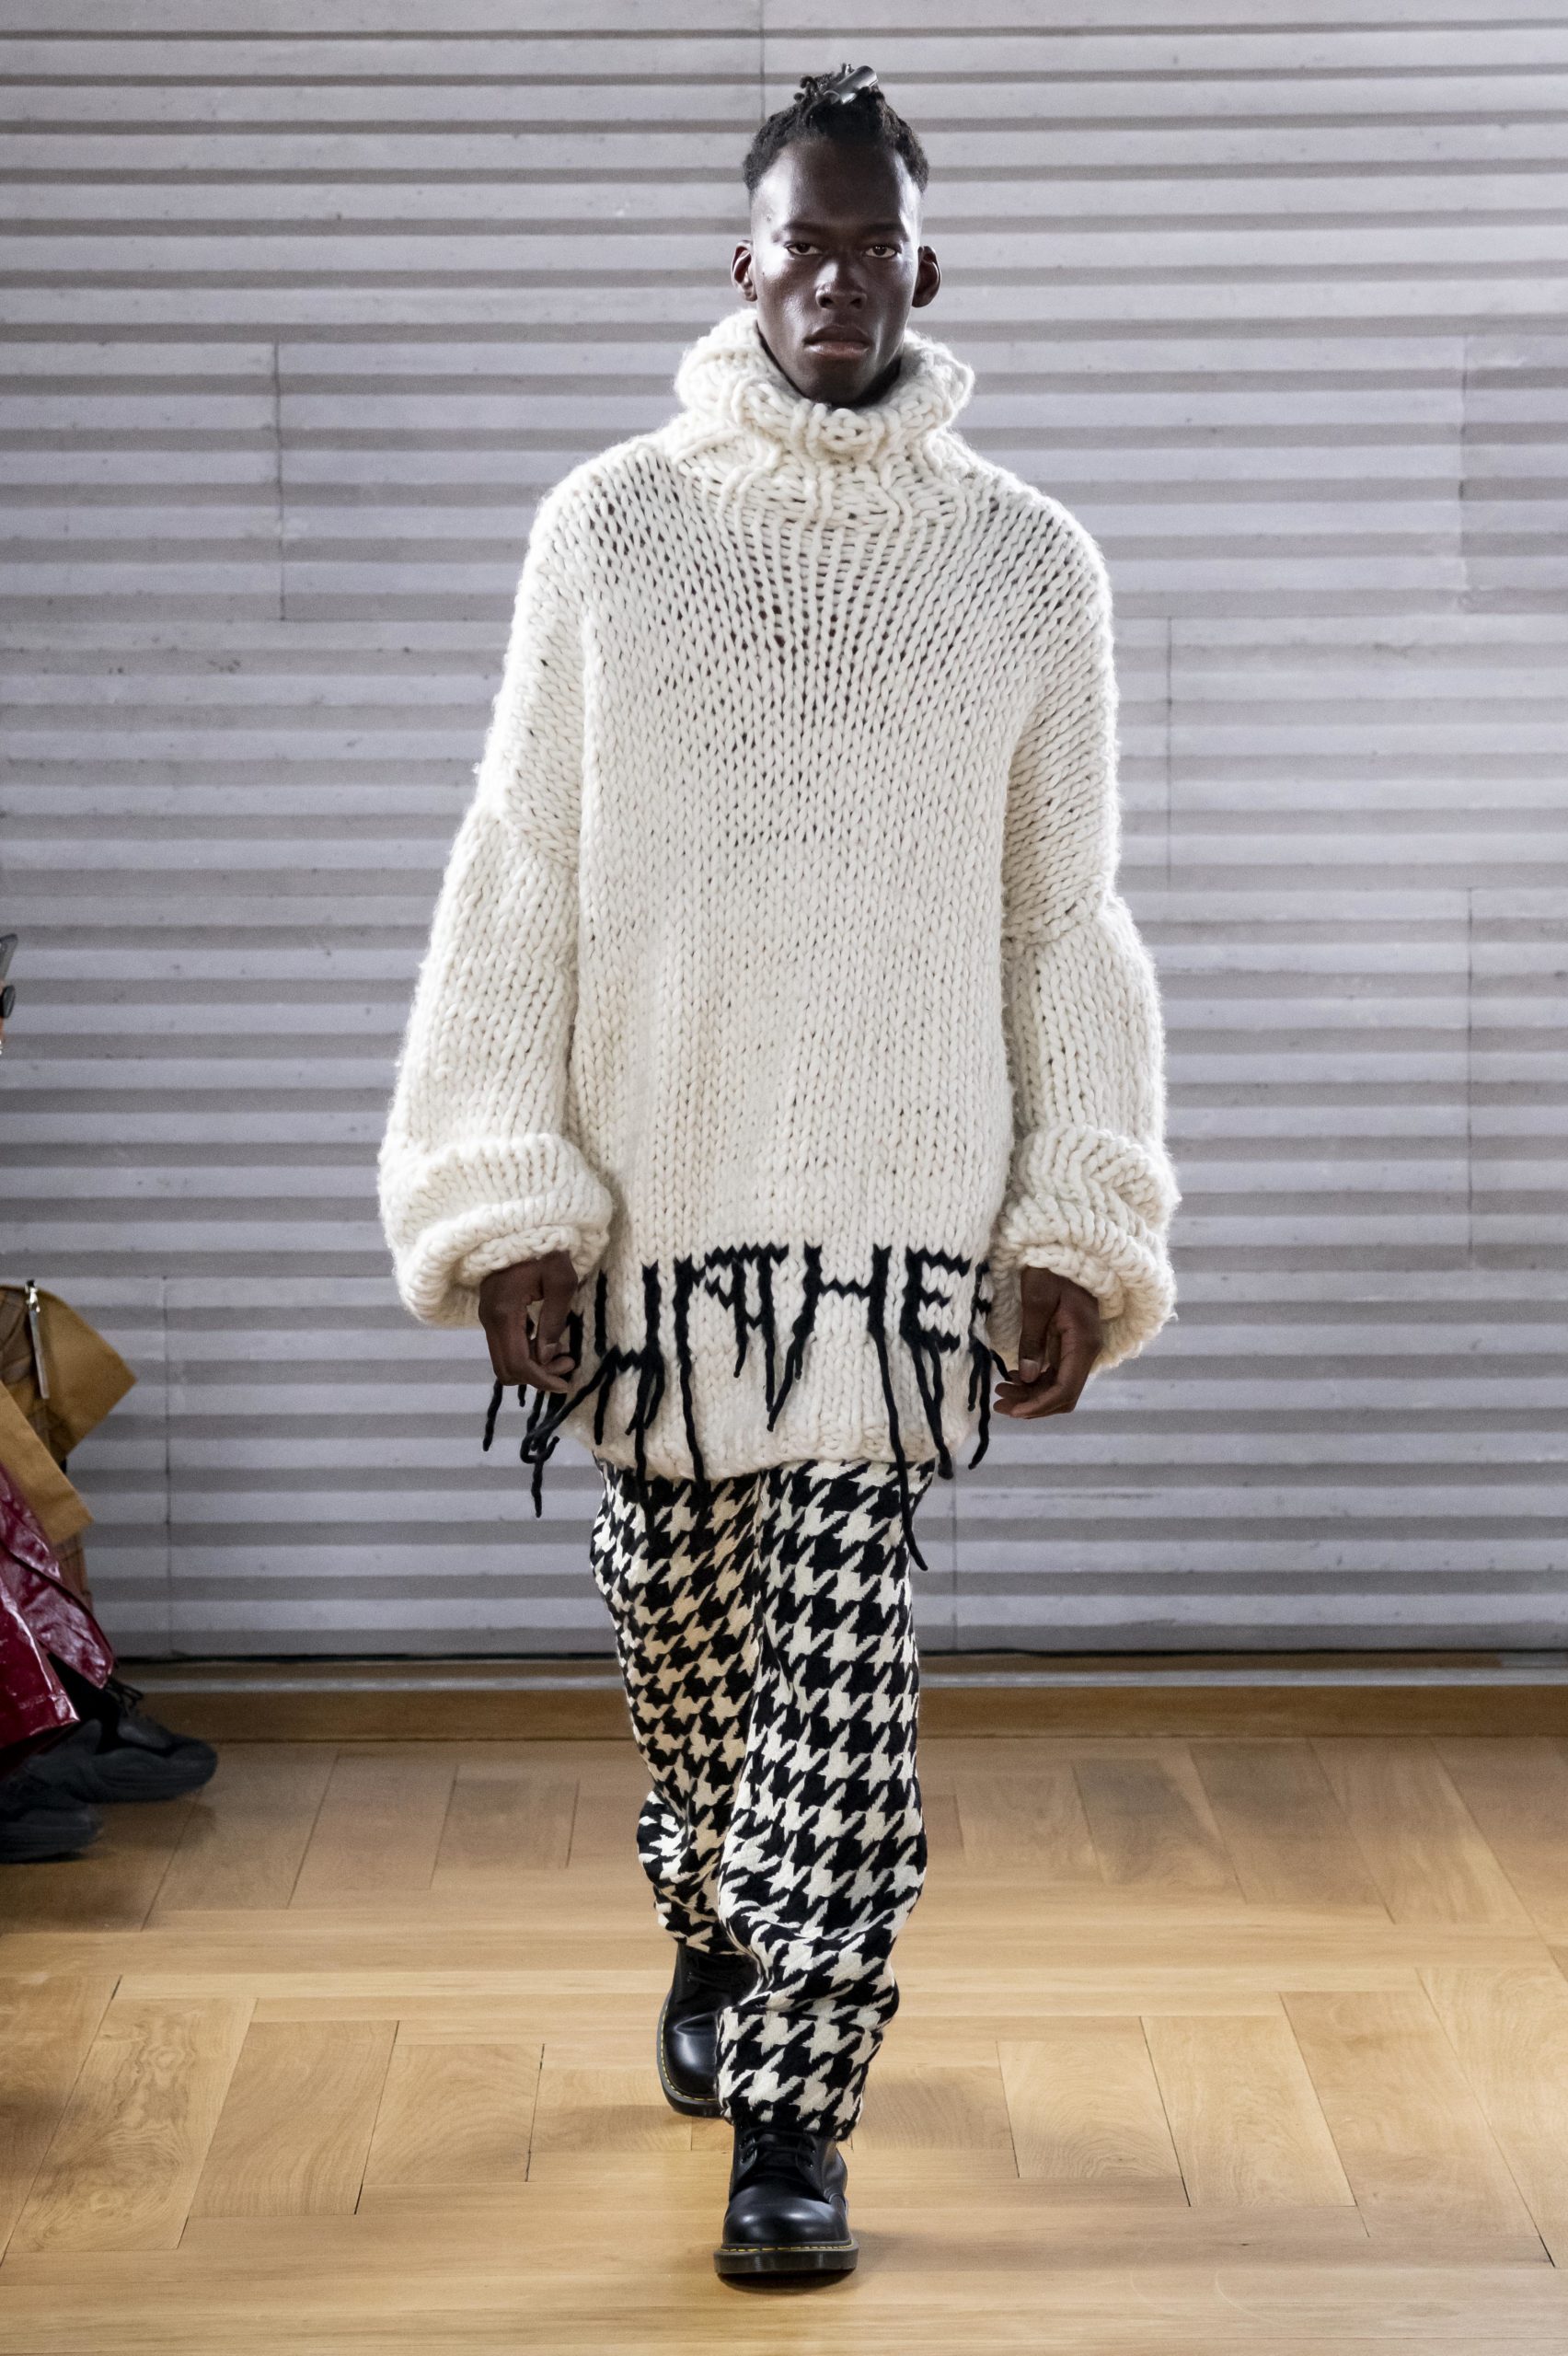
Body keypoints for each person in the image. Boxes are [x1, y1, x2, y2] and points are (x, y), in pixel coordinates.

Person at [379, 64, 1178, 2282]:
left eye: (872, 245)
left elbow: (1064, 913)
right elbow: (522, 867)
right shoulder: (609, 533)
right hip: (659, 1209)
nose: (837, 279)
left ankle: (797, 2111)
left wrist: (1076, 1217)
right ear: (742, 265)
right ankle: (713, 1912)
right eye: (801, 244)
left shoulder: (1028, 565)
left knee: (840, 1666)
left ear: (927, 268)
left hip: (894, 1227)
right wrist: (507, 1199)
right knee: (679, 1624)